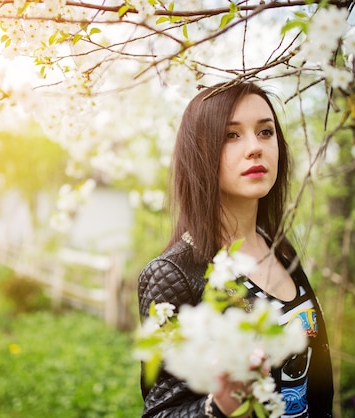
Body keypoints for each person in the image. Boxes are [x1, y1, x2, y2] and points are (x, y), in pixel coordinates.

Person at [137, 81, 333, 418]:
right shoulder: (173, 275)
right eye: (232, 135)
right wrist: (219, 406)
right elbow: (160, 412)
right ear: (200, 152)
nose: (255, 148)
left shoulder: (280, 249)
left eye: (265, 132)